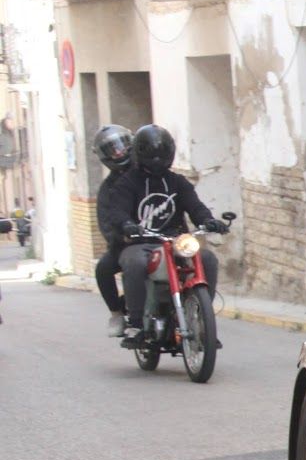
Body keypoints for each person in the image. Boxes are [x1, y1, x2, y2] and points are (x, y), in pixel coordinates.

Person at [107, 124, 229, 346]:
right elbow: (117, 210)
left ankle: (202, 317)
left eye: (161, 155)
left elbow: (196, 206)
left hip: (175, 241)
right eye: (152, 155)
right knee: (134, 262)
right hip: (141, 242)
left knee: (207, 258)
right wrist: (127, 224)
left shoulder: (177, 182)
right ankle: (136, 325)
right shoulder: (128, 182)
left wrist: (208, 221)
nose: (157, 160)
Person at [92, 124, 133, 336]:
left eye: (122, 146)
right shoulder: (108, 189)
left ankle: (198, 308)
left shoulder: (150, 173)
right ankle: (116, 313)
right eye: (112, 149)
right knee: (102, 269)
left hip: (163, 237)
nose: (119, 152)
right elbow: (106, 222)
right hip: (128, 242)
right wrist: (120, 237)